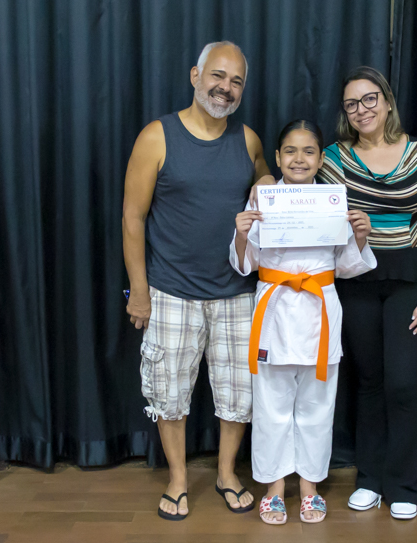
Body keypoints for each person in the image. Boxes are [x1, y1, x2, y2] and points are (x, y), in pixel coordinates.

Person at [252, 66, 417, 519]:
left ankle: (403, 485)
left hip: (410, 280)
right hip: (355, 281)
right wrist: (263, 183)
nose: (361, 109)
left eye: (369, 99)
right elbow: (292, 172)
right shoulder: (332, 158)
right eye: (351, 104)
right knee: (368, 383)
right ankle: (369, 479)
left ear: (386, 101)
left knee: (402, 384)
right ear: (344, 113)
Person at [122, 41, 276, 521]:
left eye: (236, 81)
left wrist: (268, 185)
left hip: (237, 292)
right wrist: (139, 292)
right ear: (196, 75)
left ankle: (227, 473)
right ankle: (178, 479)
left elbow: (267, 185)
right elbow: (132, 218)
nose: (225, 88)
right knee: (169, 394)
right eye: (217, 76)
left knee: (238, 394)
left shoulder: (248, 140)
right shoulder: (157, 137)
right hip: (171, 292)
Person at [230, 120, 376, 525]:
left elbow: (346, 267)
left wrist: (360, 235)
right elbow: (245, 264)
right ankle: (275, 488)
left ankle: (310, 487)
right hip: (274, 311)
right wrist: (241, 233)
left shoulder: (332, 203)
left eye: (308, 151)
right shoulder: (263, 201)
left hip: (319, 311)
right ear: (277, 158)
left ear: (320, 159)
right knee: (271, 405)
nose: (299, 159)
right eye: (290, 151)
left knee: (317, 406)